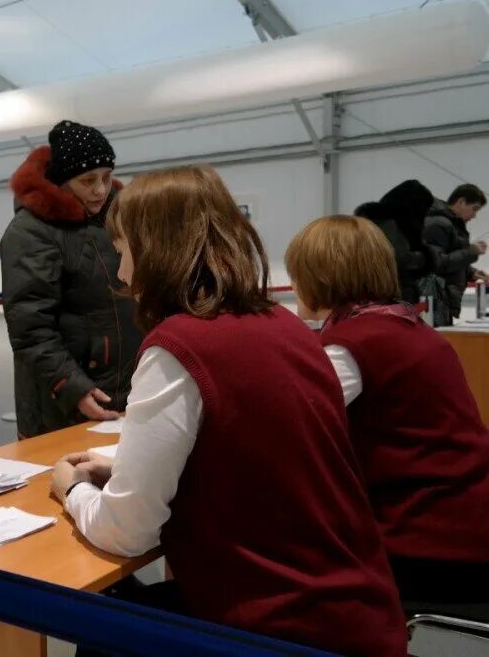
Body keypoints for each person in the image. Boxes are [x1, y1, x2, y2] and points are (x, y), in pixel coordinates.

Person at [50, 166, 405, 656]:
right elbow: (257, 453)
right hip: (357, 609)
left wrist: (71, 491)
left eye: (123, 251)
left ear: (156, 251)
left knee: (103, 626)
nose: (122, 272)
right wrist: (124, 470)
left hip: (277, 626)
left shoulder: (178, 347)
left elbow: (126, 533)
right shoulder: (285, 326)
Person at [286, 214, 489, 611]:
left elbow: (285, 429)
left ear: (321, 277)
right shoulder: (406, 326)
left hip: (428, 543)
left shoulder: (350, 345)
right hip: (468, 522)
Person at [1, 120, 141, 439]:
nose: (100, 190)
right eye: (87, 180)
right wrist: (72, 387)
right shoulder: (30, 232)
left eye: (106, 177)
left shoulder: (116, 219)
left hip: (121, 389)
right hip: (63, 401)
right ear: (62, 182)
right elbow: (30, 326)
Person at [355, 179, 434, 304]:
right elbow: (398, 259)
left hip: (382, 296)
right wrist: (425, 257)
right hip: (391, 298)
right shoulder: (390, 224)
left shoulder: (375, 221)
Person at [424, 183, 488, 324]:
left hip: (443, 301)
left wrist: (471, 273)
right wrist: (470, 252)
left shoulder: (452, 225)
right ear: (461, 201)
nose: (474, 215)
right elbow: (437, 264)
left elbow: (451, 259)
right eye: (474, 209)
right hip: (435, 303)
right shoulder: (438, 224)